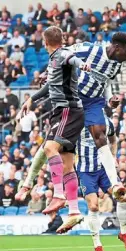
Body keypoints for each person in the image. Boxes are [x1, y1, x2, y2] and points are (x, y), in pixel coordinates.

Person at [16, 32, 126, 206]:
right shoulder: (88, 49)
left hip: (94, 102)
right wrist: (48, 72)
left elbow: (106, 83)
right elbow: (61, 53)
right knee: (50, 144)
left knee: (100, 134)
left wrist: (110, 99)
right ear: (117, 47)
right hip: (73, 98)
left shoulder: (116, 65)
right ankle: (28, 181)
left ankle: (115, 182)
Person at [19, 26, 90, 229]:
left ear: (45, 41)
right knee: (67, 163)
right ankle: (74, 210)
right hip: (63, 112)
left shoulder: (62, 54)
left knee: (49, 148)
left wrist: (82, 64)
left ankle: (59, 195)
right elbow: (50, 86)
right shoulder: (53, 60)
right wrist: (31, 99)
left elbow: (72, 58)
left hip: (67, 111)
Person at [76, 116, 126, 251]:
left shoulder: (106, 122)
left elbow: (113, 140)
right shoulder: (77, 122)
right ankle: (98, 248)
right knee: (93, 206)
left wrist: (113, 157)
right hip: (86, 172)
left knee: (122, 196)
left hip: (103, 170)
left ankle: (124, 233)